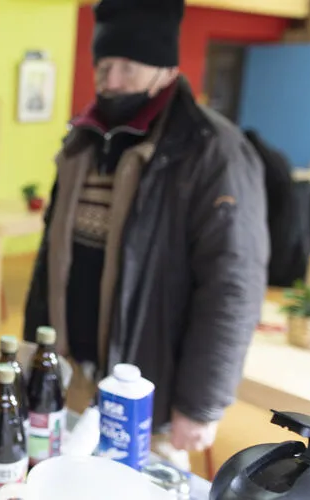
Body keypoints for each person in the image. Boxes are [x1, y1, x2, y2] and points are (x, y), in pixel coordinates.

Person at [23, 0, 269, 465]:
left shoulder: (211, 152)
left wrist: (200, 402)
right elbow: (50, 258)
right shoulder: (82, 143)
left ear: (166, 69)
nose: (111, 81)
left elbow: (232, 283)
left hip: (148, 394)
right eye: (104, 66)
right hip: (73, 377)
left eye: (128, 68)